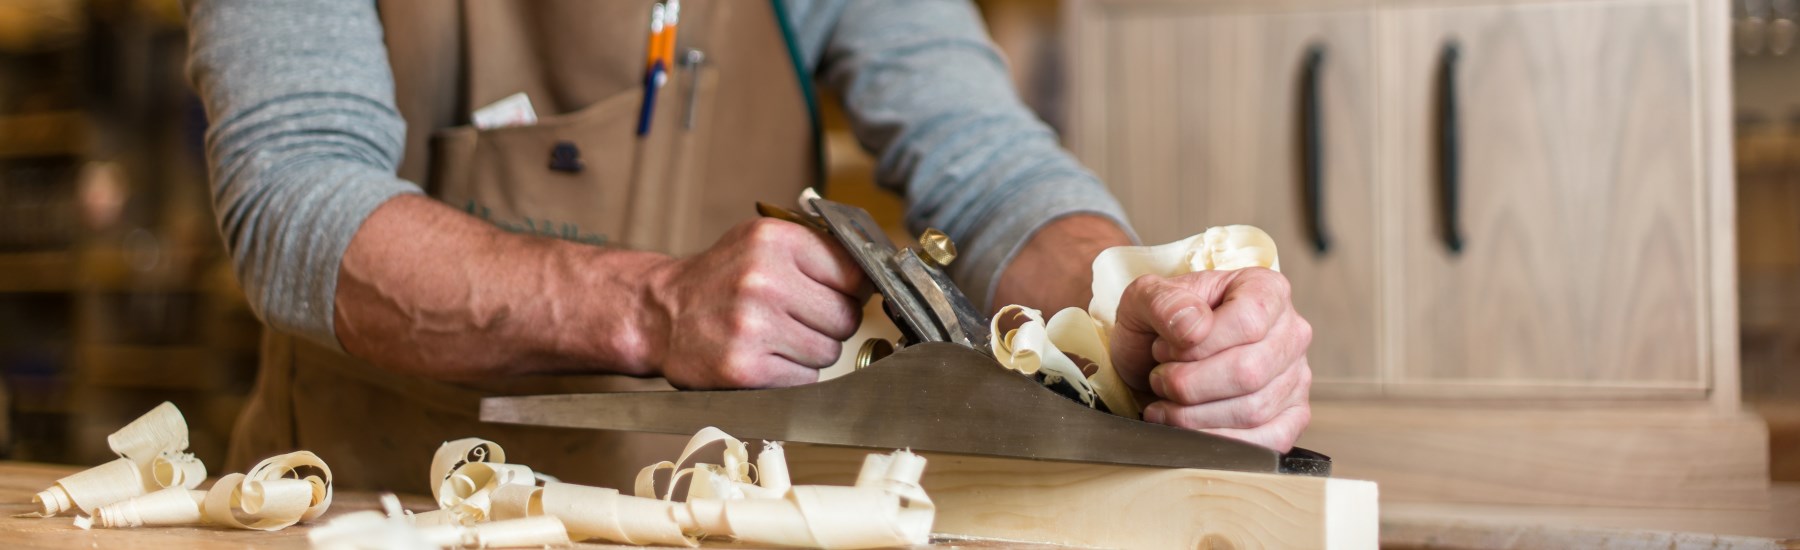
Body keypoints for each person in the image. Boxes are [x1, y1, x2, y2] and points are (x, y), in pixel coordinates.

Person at [182, 0, 1313, 492]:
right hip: (368, 508)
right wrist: (651, 307)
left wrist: (1138, 313)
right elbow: (293, 199)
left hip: (712, 511)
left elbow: (986, 162)